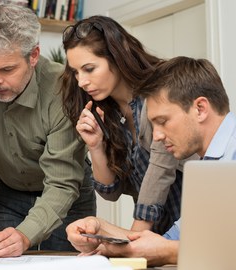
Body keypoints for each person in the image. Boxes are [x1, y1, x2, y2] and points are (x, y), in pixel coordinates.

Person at [0, 3, 96, 258]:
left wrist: (26, 234)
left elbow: (62, 181)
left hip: (68, 200)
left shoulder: (64, 86)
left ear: (34, 56)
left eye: (7, 69)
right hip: (6, 192)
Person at [66, 56, 236, 266]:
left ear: (200, 108)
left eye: (162, 122)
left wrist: (169, 252)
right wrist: (100, 230)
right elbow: (169, 242)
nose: (156, 136)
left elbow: (169, 248)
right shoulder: (206, 168)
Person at [60, 15, 197, 235]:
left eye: (89, 69)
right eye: (76, 72)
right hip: (157, 234)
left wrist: (134, 241)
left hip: (193, 222)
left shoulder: (158, 91)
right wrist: (96, 147)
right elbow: (110, 191)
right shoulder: (107, 111)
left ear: (116, 56)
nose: (81, 81)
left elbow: (161, 170)